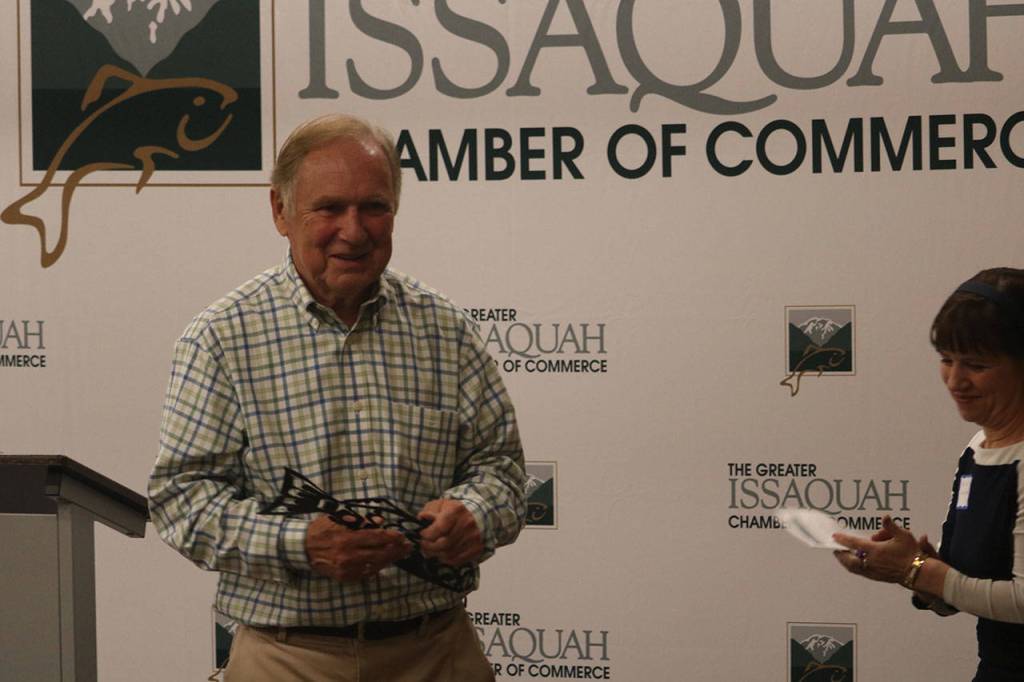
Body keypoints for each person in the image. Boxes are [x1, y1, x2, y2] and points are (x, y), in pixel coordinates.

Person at [148, 113, 526, 682]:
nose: (354, 230)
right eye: (329, 208)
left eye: (374, 206)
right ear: (280, 211)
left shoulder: (446, 330)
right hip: (287, 659)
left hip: (436, 651)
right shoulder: (222, 338)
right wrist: (300, 543)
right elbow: (181, 500)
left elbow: (502, 471)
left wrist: (475, 512)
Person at [833, 268, 1024, 682]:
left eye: (976, 364)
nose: (955, 381)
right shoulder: (978, 449)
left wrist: (917, 570)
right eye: (946, 360)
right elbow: (964, 589)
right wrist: (914, 570)